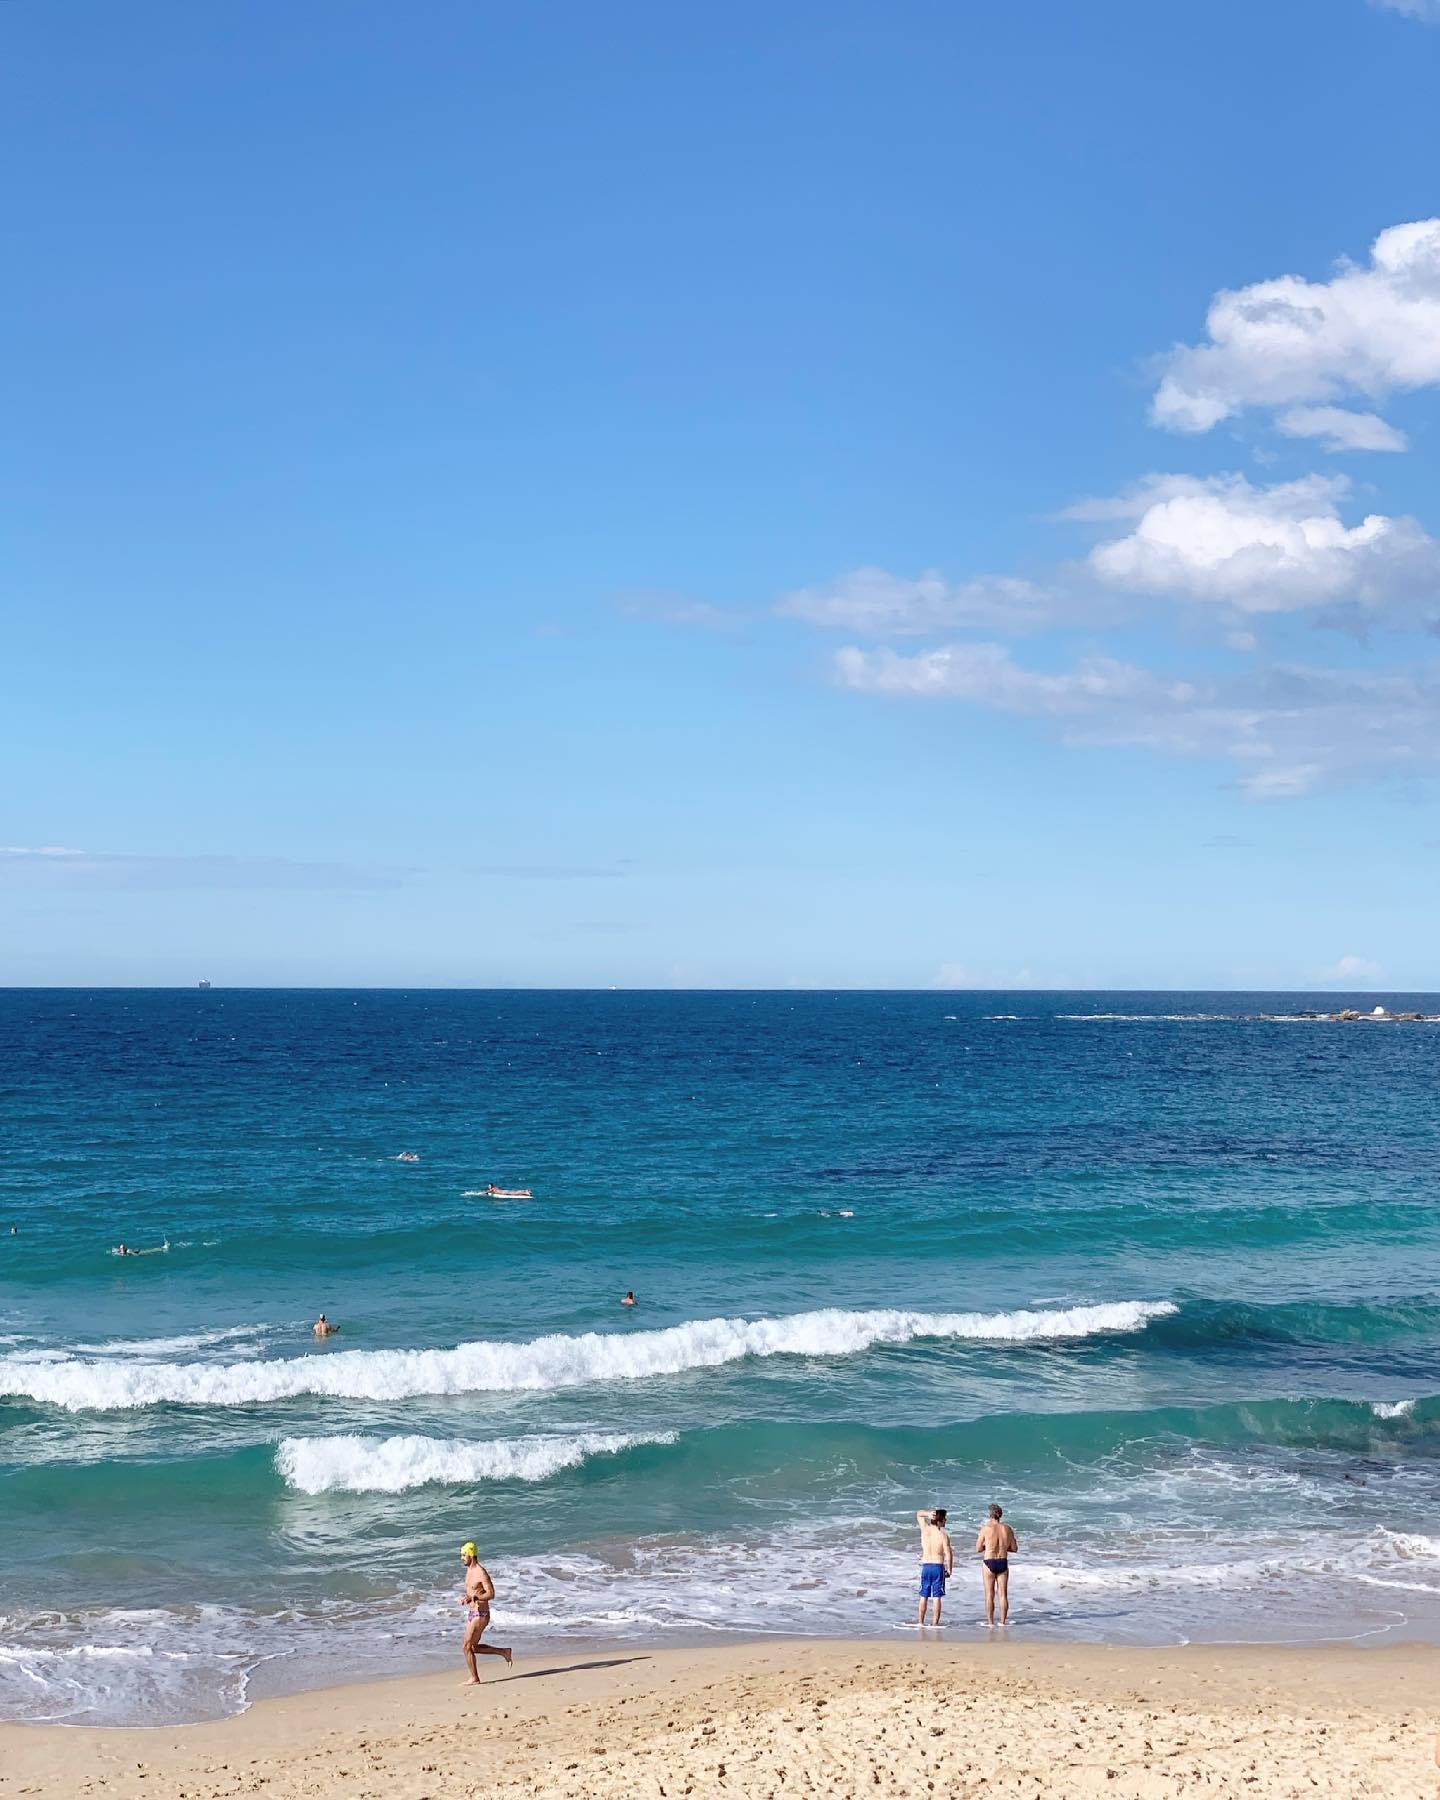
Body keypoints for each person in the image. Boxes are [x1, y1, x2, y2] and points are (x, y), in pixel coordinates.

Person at [459, 1541, 512, 1682]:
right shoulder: (469, 1570)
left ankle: (474, 1678)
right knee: (473, 1648)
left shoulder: (480, 1572)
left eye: (464, 1555)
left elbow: (491, 1594)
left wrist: (476, 1597)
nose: (462, 1558)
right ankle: (504, 1652)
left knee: (466, 1646)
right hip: (472, 1613)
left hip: (481, 1614)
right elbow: (473, 1591)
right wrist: (468, 1598)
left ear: (471, 1554)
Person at [976, 1502, 1018, 1626]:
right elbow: (1014, 1548)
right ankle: (1003, 1621)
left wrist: (988, 1546)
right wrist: (1004, 1548)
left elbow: (978, 1548)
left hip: (989, 1561)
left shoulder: (985, 1529)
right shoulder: (1007, 1529)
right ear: (1000, 1515)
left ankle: (990, 1622)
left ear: (990, 1515)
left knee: (989, 1594)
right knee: (1003, 1595)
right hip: (1002, 1561)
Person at [915, 1507, 953, 1626]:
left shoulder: (925, 1530)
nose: (946, 1521)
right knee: (936, 1597)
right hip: (937, 1567)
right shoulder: (943, 1536)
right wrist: (949, 1570)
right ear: (939, 1521)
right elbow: (948, 1554)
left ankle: (921, 1622)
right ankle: (935, 1623)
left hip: (926, 1566)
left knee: (923, 1596)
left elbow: (918, 1514)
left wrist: (927, 1513)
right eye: (944, 1519)